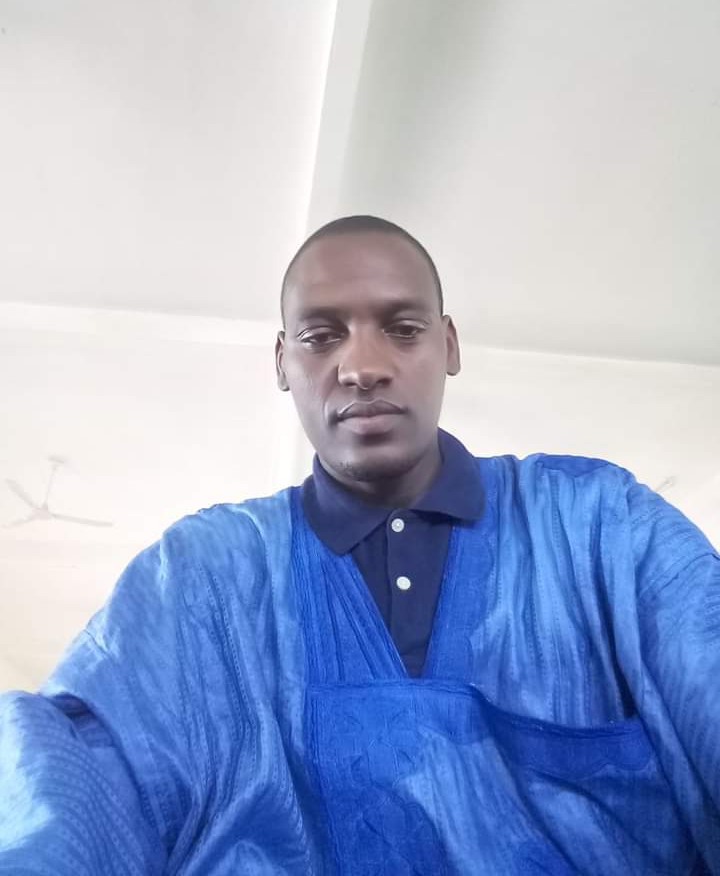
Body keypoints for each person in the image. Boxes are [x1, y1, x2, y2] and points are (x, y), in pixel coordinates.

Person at [0, 215, 718, 874]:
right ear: (281, 361)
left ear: (449, 345)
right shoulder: (200, 577)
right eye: (321, 336)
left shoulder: (600, 527)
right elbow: (72, 773)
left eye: (402, 329)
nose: (362, 366)